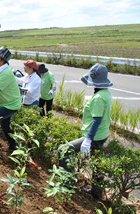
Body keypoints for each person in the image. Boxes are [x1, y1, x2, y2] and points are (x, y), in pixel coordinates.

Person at [57, 63, 113, 198]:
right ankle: (97, 192)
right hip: (102, 134)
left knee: (63, 150)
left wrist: (88, 139)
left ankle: (66, 183)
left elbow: (96, 120)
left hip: (95, 135)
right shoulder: (105, 93)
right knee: (97, 162)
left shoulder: (99, 98)